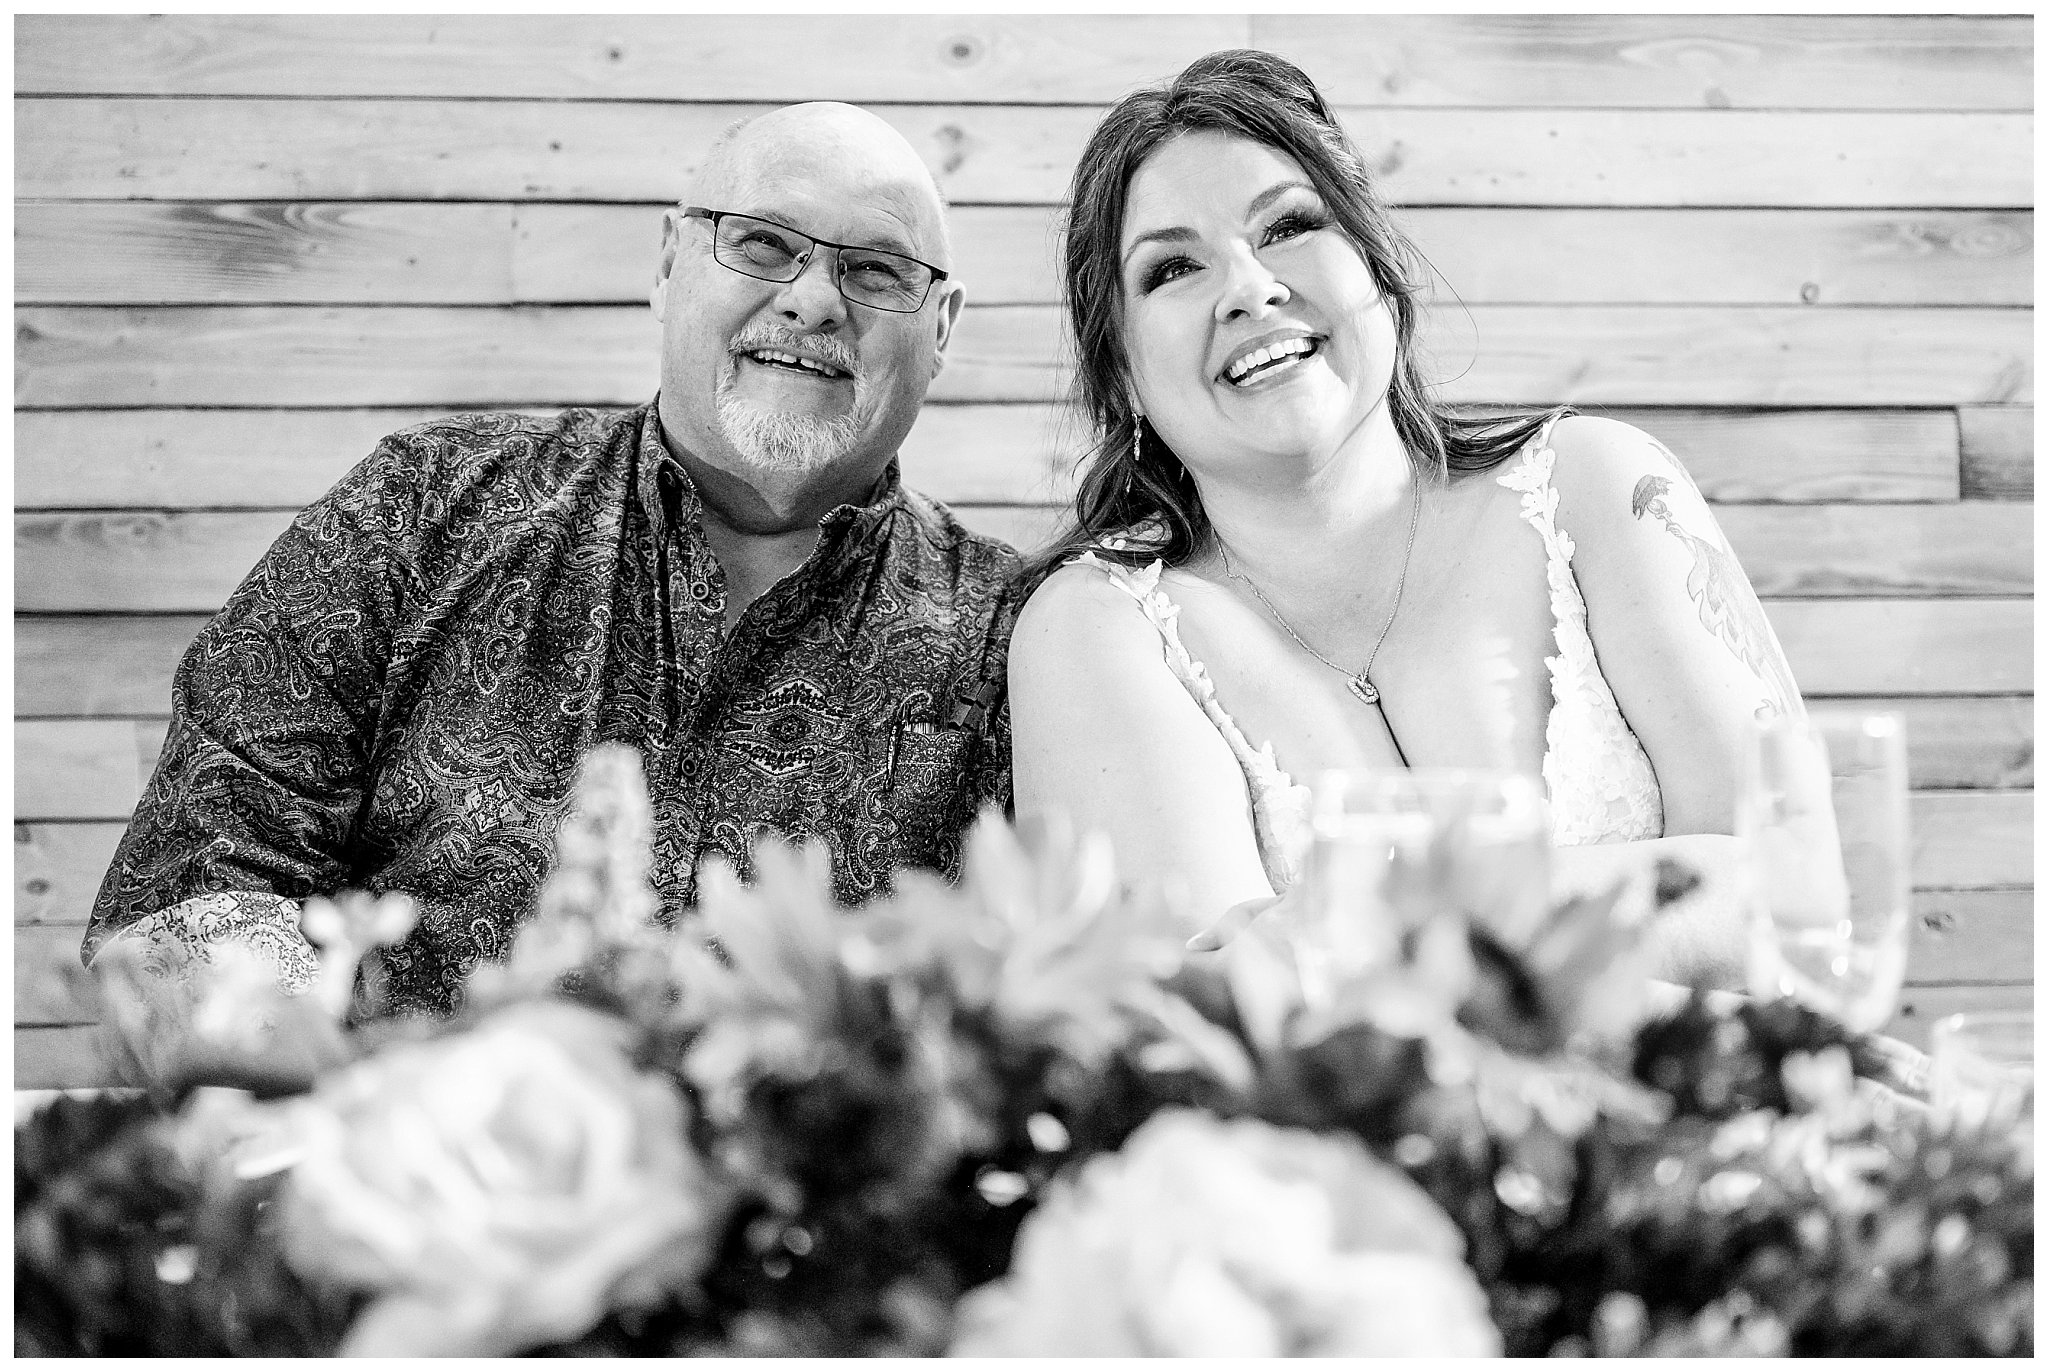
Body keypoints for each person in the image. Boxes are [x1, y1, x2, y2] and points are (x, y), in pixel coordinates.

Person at [86, 102, 1023, 1019]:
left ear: (940, 326)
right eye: (765, 245)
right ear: (669, 262)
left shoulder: (1015, 637)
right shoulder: (419, 510)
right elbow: (196, 880)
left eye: (876, 270)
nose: (815, 300)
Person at [1009, 50, 1806, 988]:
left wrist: (1373, 924)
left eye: (1292, 226)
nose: (1250, 288)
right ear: (1124, 375)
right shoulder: (1098, 632)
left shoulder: (1602, 493)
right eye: (1174, 268)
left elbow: (1795, 901)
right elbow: (1216, 1038)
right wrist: (1634, 914)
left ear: (1379, 273)